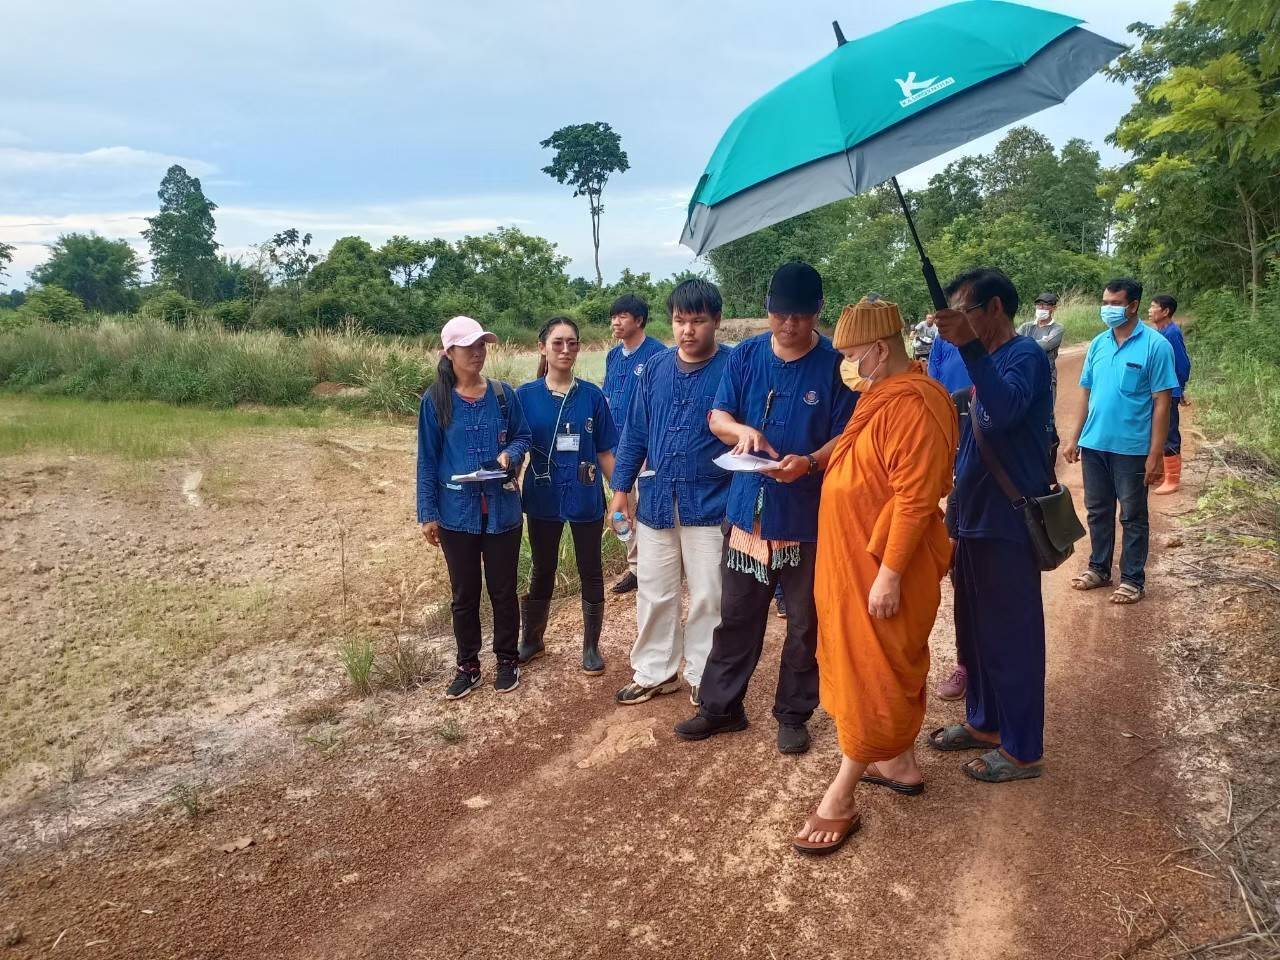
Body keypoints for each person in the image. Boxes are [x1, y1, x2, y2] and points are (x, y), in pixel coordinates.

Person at [793, 296, 957, 855]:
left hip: (883, 569)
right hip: (850, 564)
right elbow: (854, 444)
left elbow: (915, 499)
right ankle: (900, 764)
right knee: (868, 664)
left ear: (880, 350)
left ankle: (840, 795)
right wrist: (812, 461)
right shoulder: (880, 396)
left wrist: (888, 575)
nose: (844, 364)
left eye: (850, 354)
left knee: (874, 672)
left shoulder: (912, 404)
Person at [674, 261, 857, 755]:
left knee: (804, 620)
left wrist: (813, 461)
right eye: (779, 315)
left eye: (799, 316)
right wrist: (742, 433)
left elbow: (848, 435)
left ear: (818, 312)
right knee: (736, 614)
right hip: (747, 510)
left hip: (806, 517)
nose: (789, 325)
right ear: (767, 311)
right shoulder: (747, 356)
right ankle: (720, 707)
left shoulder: (837, 366)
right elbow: (718, 416)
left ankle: (793, 712)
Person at [928, 268, 1053, 783]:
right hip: (973, 516)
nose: (958, 323)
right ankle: (984, 722)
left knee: (1012, 636)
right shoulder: (979, 359)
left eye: (967, 311)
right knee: (975, 631)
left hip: (1008, 521)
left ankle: (1022, 749)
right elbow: (968, 439)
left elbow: (1001, 414)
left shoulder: (1025, 356)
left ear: (995, 308)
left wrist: (969, 351)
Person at [610, 279, 733, 706]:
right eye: (680, 321)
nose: (687, 331)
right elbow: (635, 432)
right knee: (654, 588)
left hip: (711, 502)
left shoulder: (734, 367)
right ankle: (655, 671)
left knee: (708, 593)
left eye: (698, 321)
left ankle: (704, 672)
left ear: (716, 321)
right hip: (658, 500)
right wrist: (620, 489)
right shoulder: (656, 368)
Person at [417, 316, 532, 699]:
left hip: (502, 511)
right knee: (464, 595)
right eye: (469, 347)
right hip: (456, 516)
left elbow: (523, 436)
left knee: (503, 590)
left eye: (482, 345)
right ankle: (468, 665)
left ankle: (506, 660)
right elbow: (427, 461)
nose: (478, 353)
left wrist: (509, 455)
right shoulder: (435, 401)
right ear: (449, 353)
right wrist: (428, 513)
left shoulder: (502, 394)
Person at [516, 317, 619, 675]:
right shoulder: (524, 397)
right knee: (543, 568)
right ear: (542, 346)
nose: (565, 349)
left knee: (591, 568)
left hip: (585, 493)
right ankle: (532, 639)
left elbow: (605, 450)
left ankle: (591, 646)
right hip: (543, 496)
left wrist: (621, 492)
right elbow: (515, 448)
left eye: (572, 343)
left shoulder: (591, 396)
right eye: (557, 342)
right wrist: (508, 485)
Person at [1064, 279, 1177, 604]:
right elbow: (1086, 394)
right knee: (1097, 511)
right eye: (1105, 302)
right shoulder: (1098, 344)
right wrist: (1074, 438)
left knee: (1132, 515)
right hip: (1095, 444)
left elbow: (1161, 402)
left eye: (1114, 303)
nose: (1108, 308)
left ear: (1133, 306)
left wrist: (1156, 452)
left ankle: (1132, 579)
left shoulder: (1156, 346)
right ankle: (1099, 569)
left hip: (1132, 448)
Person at [602, 294, 666, 596]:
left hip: (645, 446)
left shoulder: (657, 355)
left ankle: (652, 566)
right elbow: (608, 395)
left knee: (645, 504)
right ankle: (636, 567)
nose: (616, 322)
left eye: (623, 316)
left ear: (639, 320)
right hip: (615, 445)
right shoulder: (614, 356)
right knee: (621, 506)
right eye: (613, 316)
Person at [1149, 295, 1191, 495]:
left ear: (1165, 311)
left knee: (1169, 432)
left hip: (1170, 390)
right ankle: (1159, 472)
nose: (1149, 310)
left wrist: (1180, 388)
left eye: (1153, 307)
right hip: (1159, 390)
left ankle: (1172, 479)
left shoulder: (1172, 333)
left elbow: (1182, 364)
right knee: (1157, 430)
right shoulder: (1161, 332)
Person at [1017, 292, 1066, 400]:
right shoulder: (1026, 326)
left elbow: (1045, 345)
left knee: (1047, 413)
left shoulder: (1057, 328)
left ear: (1053, 308)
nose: (1041, 307)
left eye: (1045, 305)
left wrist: (1022, 343)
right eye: (1039, 304)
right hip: (1025, 375)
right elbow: (1013, 343)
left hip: (1046, 375)